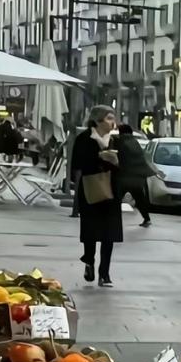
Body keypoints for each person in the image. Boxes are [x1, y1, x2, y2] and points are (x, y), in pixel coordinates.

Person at [75, 105, 122, 287]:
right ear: (98, 120)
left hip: (111, 191)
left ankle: (105, 273)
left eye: (113, 118)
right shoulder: (84, 138)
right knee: (91, 232)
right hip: (91, 190)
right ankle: (89, 262)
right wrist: (100, 158)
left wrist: (115, 162)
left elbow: (123, 166)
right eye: (109, 118)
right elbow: (77, 164)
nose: (113, 122)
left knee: (109, 234)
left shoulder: (116, 141)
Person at [114, 123, 155, 227]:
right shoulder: (135, 142)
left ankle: (111, 219)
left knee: (116, 199)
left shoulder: (120, 142)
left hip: (125, 176)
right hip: (137, 176)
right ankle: (147, 219)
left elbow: (117, 158)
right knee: (140, 199)